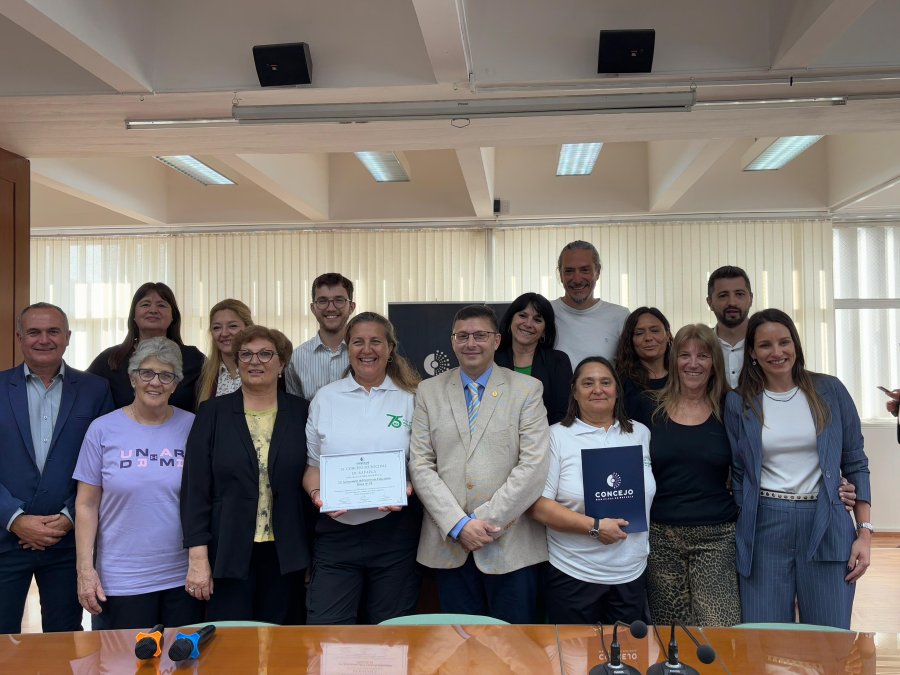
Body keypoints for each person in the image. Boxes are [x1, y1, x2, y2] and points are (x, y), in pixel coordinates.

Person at [725, 308, 872, 629]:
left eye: (784, 342)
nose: (776, 352)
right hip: (764, 525)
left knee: (829, 636)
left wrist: (864, 534)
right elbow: (739, 474)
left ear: (796, 345)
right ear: (752, 352)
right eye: (765, 345)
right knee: (763, 637)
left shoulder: (830, 391)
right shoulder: (740, 402)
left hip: (826, 520)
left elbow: (856, 461)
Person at [408, 305, 550, 623]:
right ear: (453, 341)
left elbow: (533, 465)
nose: (471, 343)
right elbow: (420, 464)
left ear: (497, 340)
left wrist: (483, 523)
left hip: (510, 547)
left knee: (513, 655)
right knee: (461, 653)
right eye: (463, 336)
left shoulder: (527, 390)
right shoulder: (428, 391)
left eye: (480, 335)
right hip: (450, 544)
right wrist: (459, 525)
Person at [181, 326, 310, 624]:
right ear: (237, 363)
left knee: (283, 646)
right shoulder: (211, 413)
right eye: (246, 355)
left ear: (282, 364)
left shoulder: (302, 412)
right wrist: (198, 558)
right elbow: (195, 489)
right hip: (227, 551)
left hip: (287, 553)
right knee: (231, 645)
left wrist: (310, 556)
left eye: (266, 354)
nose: (255, 361)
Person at [73, 337, 202, 629]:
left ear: (176, 383)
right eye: (147, 373)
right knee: (126, 666)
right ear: (132, 378)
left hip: (183, 577)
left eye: (166, 375)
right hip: (122, 579)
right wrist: (85, 570)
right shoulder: (103, 430)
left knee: (182, 667)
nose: (155, 382)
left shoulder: (193, 426)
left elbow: (205, 497)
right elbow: (86, 504)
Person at [0, 303, 113, 634]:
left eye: (53, 331)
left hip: (68, 542)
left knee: (64, 639)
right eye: (34, 332)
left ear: (67, 337)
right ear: (19, 337)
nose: (44, 339)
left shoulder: (95, 390)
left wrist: (68, 518)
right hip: (5, 539)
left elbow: (105, 466)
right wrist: (16, 520)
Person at [303, 312, 422, 624]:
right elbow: (313, 467)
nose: (366, 349)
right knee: (328, 632)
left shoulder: (412, 399)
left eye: (376, 342)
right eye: (358, 342)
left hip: (394, 533)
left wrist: (408, 487)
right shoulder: (325, 399)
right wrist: (317, 494)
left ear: (391, 348)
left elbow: (425, 464)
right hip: (336, 534)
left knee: (392, 636)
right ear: (347, 347)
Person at [529, 357, 655, 625]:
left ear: (617, 390)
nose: (598, 389)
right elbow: (538, 505)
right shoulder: (556, 436)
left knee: (626, 661)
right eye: (588, 383)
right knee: (575, 662)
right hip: (574, 572)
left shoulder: (640, 434)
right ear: (574, 392)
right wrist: (595, 526)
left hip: (630, 573)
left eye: (605, 382)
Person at [631, 323, 741, 626]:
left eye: (703, 356)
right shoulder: (648, 405)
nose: (693, 364)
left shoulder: (730, 405)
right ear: (673, 359)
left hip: (716, 535)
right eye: (684, 355)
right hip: (660, 534)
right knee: (672, 636)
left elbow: (755, 461)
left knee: (719, 631)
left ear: (714, 362)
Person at [88, 282, 205, 412]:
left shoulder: (194, 358)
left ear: (173, 317)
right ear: (134, 315)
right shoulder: (110, 358)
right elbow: (82, 394)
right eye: (145, 304)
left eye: (161, 305)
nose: (153, 310)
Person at [495, 293, 573, 424]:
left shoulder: (558, 361)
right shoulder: (492, 359)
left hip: (546, 438)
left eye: (537, 320)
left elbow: (563, 413)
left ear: (544, 331)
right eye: (522, 316)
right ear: (510, 320)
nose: (528, 324)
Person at [550, 241, 629, 368]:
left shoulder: (620, 316)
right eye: (569, 271)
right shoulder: (544, 313)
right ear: (560, 274)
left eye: (584, 270)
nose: (577, 279)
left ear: (597, 272)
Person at [285, 273, 357, 401]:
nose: (330, 308)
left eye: (339, 300)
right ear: (313, 308)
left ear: (351, 307)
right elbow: (295, 409)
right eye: (323, 301)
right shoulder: (296, 358)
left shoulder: (366, 355)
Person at [615, 307, 673, 418]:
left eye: (655, 330)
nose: (648, 338)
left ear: (668, 335)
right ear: (631, 341)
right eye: (639, 333)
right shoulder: (622, 383)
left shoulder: (683, 376)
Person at [196, 298, 254, 405]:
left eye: (232, 326)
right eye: (217, 327)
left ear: (248, 328)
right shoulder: (203, 376)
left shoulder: (264, 370)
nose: (224, 333)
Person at [707, 266, 754, 389]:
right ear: (710, 303)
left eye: (739, 294)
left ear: (751, 299)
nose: (732, 302)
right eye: (723, 295)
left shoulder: (768, 345)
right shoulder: (701, 345)